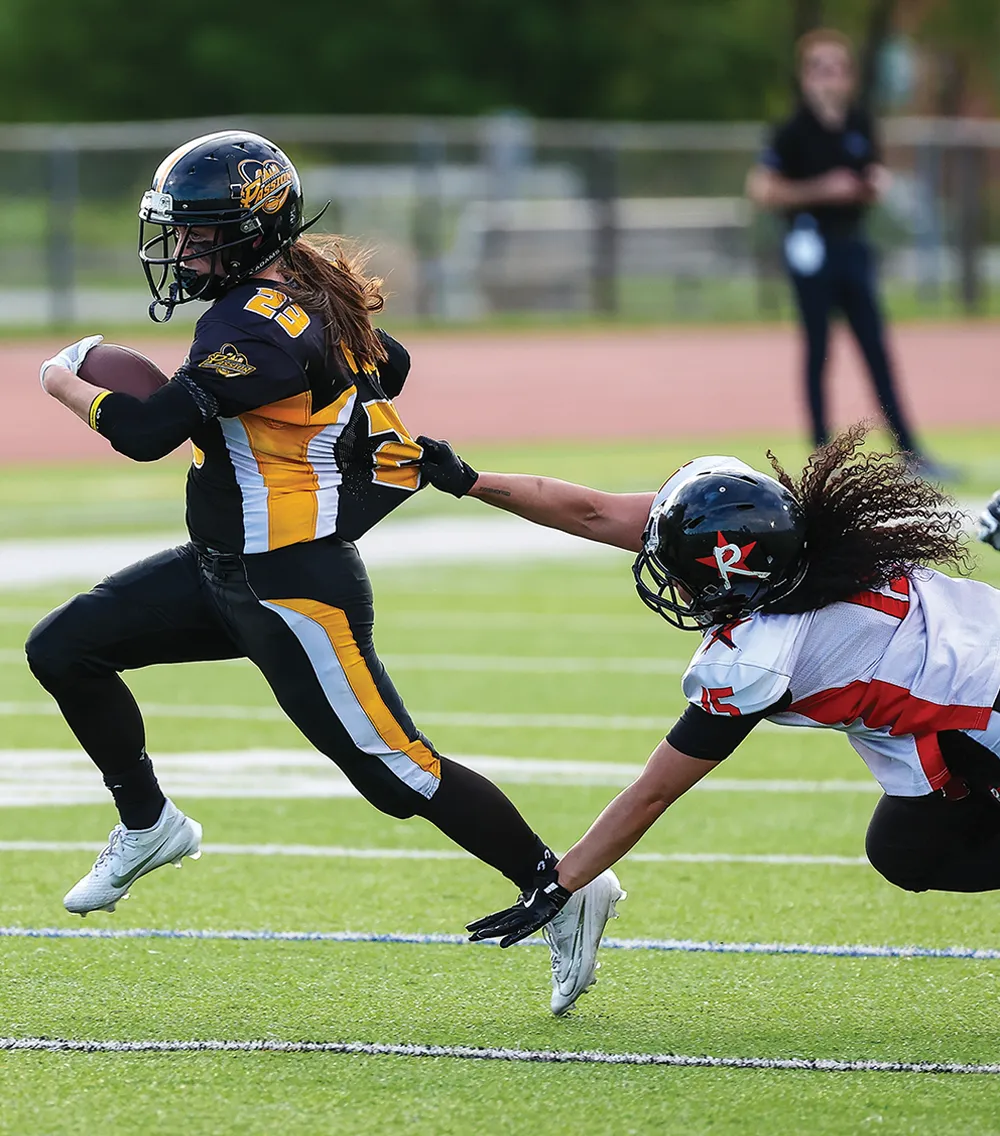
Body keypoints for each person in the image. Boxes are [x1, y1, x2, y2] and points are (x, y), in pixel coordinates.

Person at [27, 130, 623, 1016]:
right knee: (65, 646)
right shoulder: (298, 297)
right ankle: (150, 824)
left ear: (245, 230)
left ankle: (567, 885)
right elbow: (393, 366)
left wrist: (64, 379)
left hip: (294, 587)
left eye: (195, 232)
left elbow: (147, 434)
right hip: (224, 570)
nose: (179, 250)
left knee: (396, 772)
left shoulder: (250, 326)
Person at [416, 427, 1000, 947]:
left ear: (731, 575)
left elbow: (653, 792)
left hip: (981, 717)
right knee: (905, 844)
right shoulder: (803, 539)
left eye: (684, 571)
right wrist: (470, 481)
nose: (671, 578)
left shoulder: (760, 657)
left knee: (912, 848)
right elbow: (593, 513)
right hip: (970, 684)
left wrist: (560, 885)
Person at [745, 29, 945, 479]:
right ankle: (822, 455)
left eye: (836, 67)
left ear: (849, 76)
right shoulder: (792, 131)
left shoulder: (859, 123)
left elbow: (870, 173)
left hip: (852, 247)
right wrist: (821, 189)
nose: (827, 77)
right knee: (818, 350)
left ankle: (910, 452)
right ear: (805, 76)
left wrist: (872, 184)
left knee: (876, 347)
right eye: (818, 67)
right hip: (810, 246)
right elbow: (761, 188)